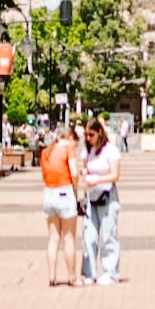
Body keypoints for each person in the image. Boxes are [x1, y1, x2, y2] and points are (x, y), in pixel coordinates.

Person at [39, 121, 81, 287]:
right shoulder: (68, 148)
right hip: (65, 191)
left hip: (49, 193)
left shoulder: (46, 152)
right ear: (69, 137)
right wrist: (76, 191)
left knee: (53, 238)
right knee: (69, 238)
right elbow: (75, 173)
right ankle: (71, 277)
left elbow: (44, 175)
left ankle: (52, 276)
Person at [81, 116, 122, 285]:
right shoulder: (87, 151)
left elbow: (115, 175)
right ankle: (89, 272)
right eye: (86, 135)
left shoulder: (110, 151)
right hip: (91, 196)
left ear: (99, 133)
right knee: (89, 235)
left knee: (108, 235)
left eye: (91, 135)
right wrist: (85, 174)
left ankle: (110, 272)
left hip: (107, 196)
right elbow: (84, 167)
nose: (88, 138)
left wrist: (97, 179)